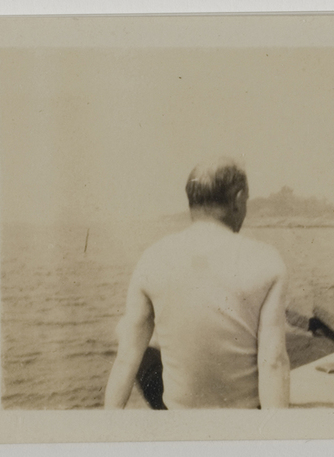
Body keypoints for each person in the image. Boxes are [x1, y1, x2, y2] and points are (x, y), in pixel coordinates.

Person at [104, 157, 290, 409]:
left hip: (180, 418)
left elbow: (126, 360)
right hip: (243, 419)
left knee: (128, 334)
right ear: (238, 199)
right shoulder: (266, 260)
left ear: (192, 199)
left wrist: (109, 423)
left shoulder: (153, 257)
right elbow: (274, 362)